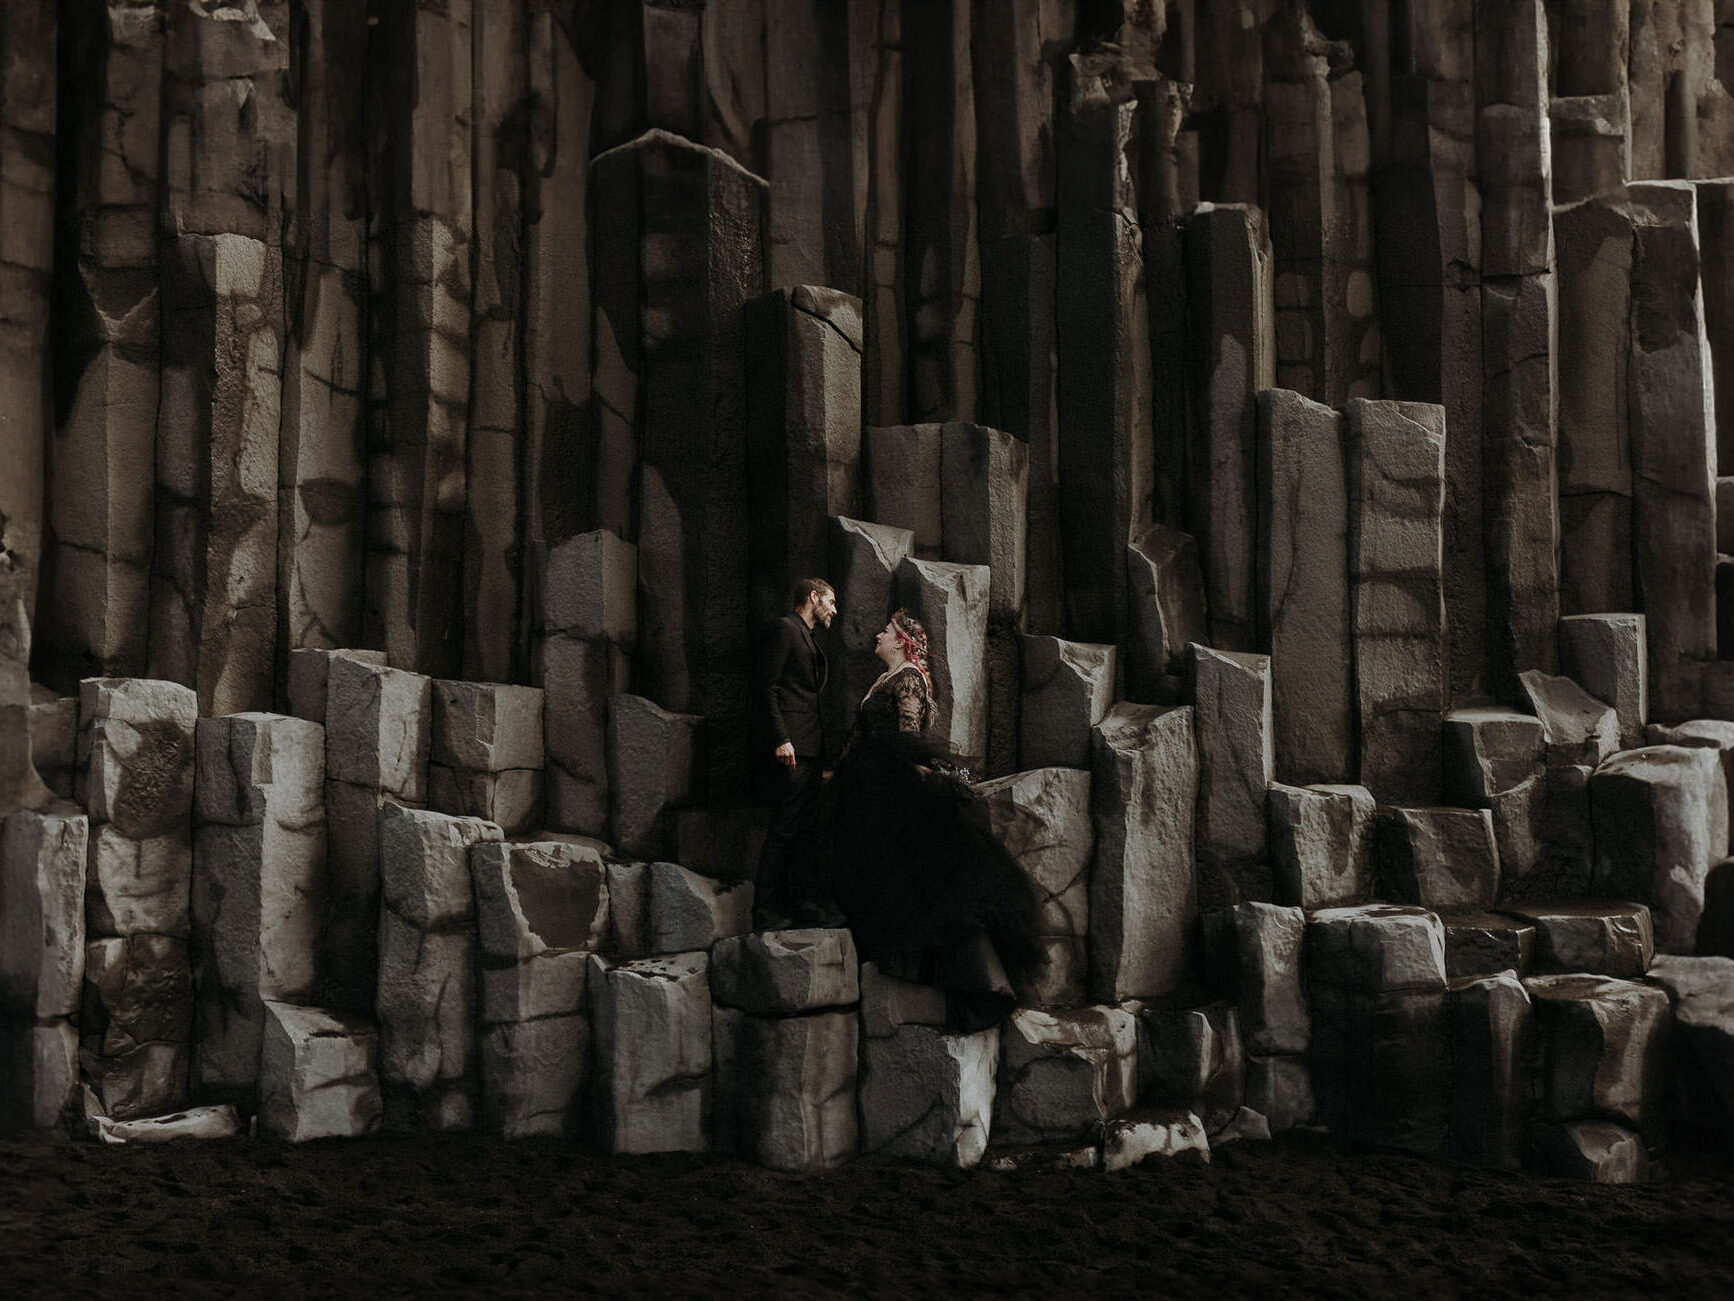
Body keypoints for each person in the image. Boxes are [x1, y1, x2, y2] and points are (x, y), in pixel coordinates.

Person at [825, 608, 1044, 1032]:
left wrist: (893, 774)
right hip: (873, 782)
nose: (878, 633)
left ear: (903, 641)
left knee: (931, 889)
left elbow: (907, 734)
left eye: (886, 630)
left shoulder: (908, 678)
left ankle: (973, 985)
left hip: (891, 785)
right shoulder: (890, 678)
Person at [752, 577, 843, 930]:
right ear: (813, 596)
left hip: (811, 749)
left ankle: (803, 904)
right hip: (791, 748)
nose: (834, 610)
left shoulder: (809, 636)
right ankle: (764, 910)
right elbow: (767, 688)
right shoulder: (785, 629)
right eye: (831, 602)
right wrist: (780, 738)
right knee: (785, 828)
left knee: (807, 829)